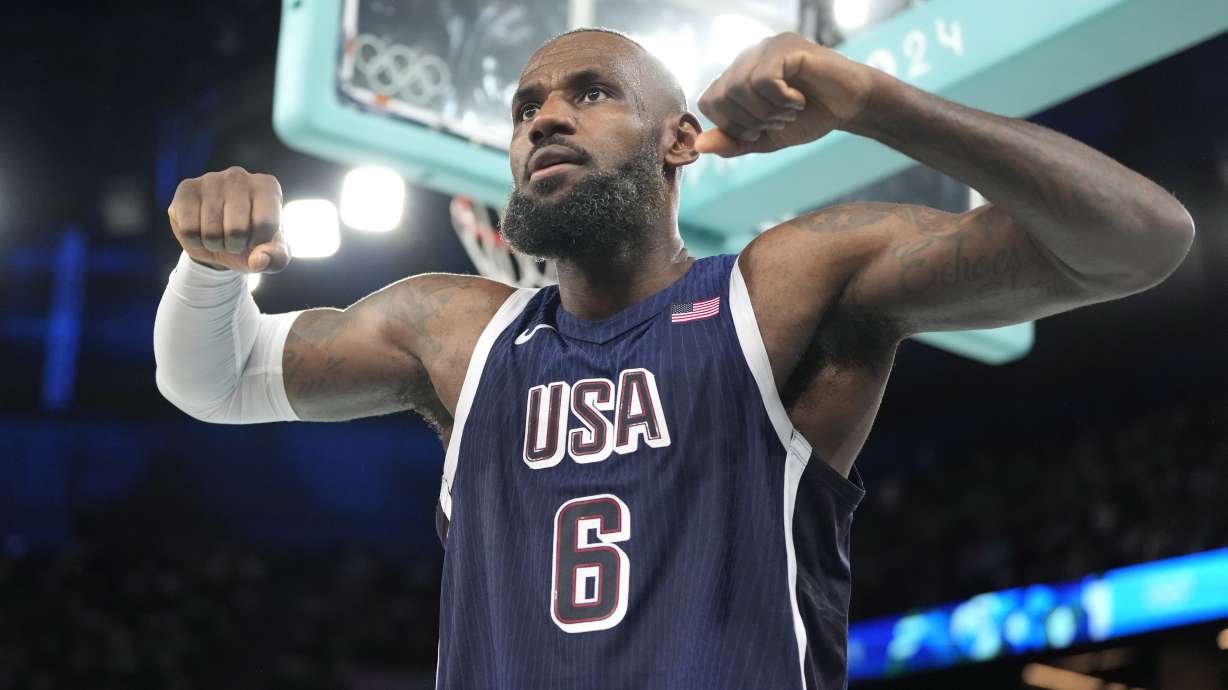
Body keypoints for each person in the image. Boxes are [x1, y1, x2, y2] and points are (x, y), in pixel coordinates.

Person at [153, 28, 1194, 690]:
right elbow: (215, 378)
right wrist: (208, 268)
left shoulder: (783, 288)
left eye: (590, 92)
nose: (544, 117)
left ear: (680, 143)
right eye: (524, 109)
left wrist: (875, 102)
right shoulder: (457, 332)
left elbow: (1139, 240)